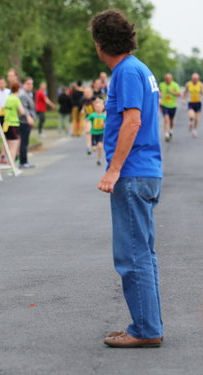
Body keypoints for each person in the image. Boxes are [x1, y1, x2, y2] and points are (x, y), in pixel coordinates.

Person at [91, 9, 163, 348]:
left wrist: (114, 168)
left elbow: (132, 122)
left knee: (132, 256)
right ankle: (145, 324)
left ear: (100, 43)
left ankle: (146, 330)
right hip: (144, 171)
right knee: (141, 254)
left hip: (134, 174)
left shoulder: (125, 72)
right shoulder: (139, 69)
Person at [3, 81, 25, 163]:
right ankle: (12, 166)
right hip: (13, 123)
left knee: (8, 144)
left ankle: (10, 163)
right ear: (18, 89)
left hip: (6, 123)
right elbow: (22, 111)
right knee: (14, 146)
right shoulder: (16, 99)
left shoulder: (8, 98)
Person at [18, 77, 36, 168]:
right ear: (24, 84)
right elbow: (24, 108)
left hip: (27, 121)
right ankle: (23, 161)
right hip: (24, 121)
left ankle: (24, 160)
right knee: (24, 142)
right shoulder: (23, 94)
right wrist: (29, 118)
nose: (30, 86)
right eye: (28, 84)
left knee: (25, 141)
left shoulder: (29, 94)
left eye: (32, 84)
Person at [159, 73, 180, 141]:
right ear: (165, 79)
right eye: (167, 79)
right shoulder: (161, 84)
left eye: (169, 79)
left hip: (173, 105)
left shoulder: (175, 85)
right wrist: (160, 94)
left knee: (171, 120)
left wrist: (172, 92)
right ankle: (166, 134)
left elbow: (179, 94)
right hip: (164, 105)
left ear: (171, 79)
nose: (168, 80)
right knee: (166, 119)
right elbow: (159, 92)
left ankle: (171, 130)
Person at [86, 98, 106, 165]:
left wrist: (103, 125)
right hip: (94, 133)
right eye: (97, 107)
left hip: (101, 133)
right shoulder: (92, 115)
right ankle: (93, 147)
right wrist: (87, 128)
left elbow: (107, 125)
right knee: (94, 148)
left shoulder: (104, 116)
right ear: (94, 108)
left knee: (100, 147)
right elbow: (87, 121)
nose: (98, 108)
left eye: (100, 107)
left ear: (103, 107)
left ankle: (99, 159)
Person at [183, 72, 202, 137]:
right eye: (194, 79)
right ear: (192, 79)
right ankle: (191, 122)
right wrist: (184, 100)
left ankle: (194, 130)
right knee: (191, 116)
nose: (195, 80)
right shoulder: (188, 84)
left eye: (196, 79)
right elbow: (185, 92)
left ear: (198, 79)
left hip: (198, 103)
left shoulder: (200, 85)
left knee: (196, 119)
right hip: (190, 102)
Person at [80, 86, 95, 154]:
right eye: (85, 93)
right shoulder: (83, 99)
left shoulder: (95, 99)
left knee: (95, 132)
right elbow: (83, 106)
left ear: (91, 92)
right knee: (88, 132)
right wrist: (82, 110)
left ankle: (95, 143)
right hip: (88, 118)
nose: (86, 94)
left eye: (88, 92)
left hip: (96, 118)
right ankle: (88, 147)